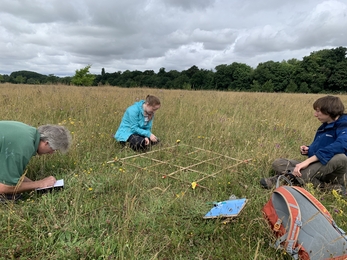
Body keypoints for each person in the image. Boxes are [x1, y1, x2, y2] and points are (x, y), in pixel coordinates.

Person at [260, 96, 347, 195]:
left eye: (318, 111)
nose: (315, 114)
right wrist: (309, 149)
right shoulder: (325, 125)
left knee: (341, 157)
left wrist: (307, 161)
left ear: (329, 111)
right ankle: (325, 187)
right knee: (278, 163)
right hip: (318, 167)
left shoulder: (344, 125)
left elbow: (340, 145)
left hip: (334, 172)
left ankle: (283, 179)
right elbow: (323, 147)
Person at [0, 121, 72, 200]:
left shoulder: (28, 133)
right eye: (53, 149)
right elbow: (3, 187)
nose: (51, 153)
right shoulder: (24, 146)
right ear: (46, 143)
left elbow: (12, 174)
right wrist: (39, 184)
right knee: (11, 197)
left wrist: (37, 185)